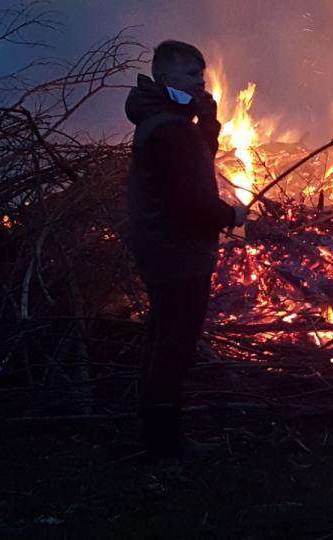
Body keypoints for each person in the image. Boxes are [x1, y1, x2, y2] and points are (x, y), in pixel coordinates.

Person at [125, 40, 247, 462]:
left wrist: (207, 124)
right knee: (175, 346)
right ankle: (165, 444)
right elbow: (190, 200)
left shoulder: (168, 120)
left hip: (162, 248)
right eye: (192, 74)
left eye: (202, 73)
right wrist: (232, 216)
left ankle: (151, 429)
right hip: (176, 252)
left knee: (162, 338)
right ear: (165, 79)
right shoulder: (170, 128)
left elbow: (194, 162)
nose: (202, 81)